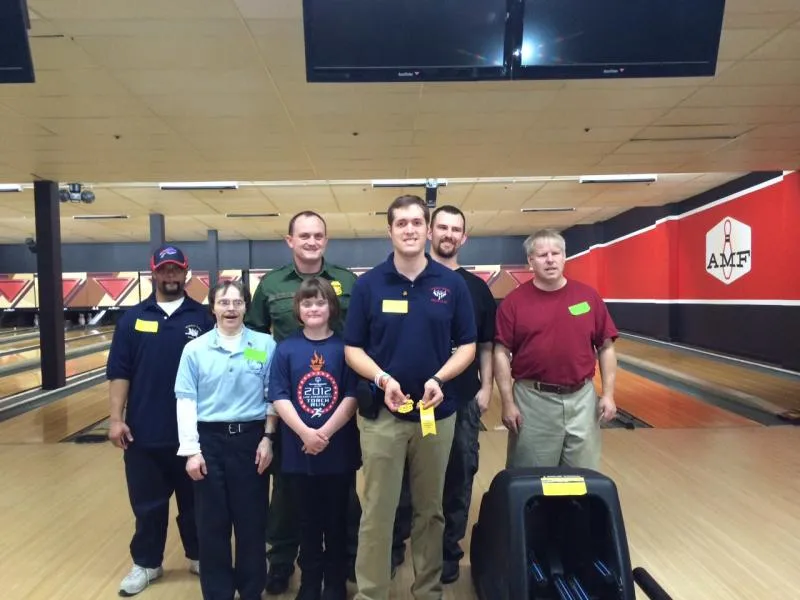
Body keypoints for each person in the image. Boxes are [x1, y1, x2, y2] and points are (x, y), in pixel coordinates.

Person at [344, 194, 477, 600]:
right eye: (400, 223)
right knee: (378, 513)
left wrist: (439, 378)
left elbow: (468, 345)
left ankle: (429, 591)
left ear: (427, 228)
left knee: (430, 512)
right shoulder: (368, 285)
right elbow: (352, 348)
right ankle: (371, 593)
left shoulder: (452, 284)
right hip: (382, 417)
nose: (409, 229)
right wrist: (384, 380)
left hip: (435, 414)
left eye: (417, 222)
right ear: (389, 230)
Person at [245, 210, 361, 594]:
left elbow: (361, 339)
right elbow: (256, 340)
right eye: (304, 235)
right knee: (288, 494)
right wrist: (267, 407)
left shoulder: (346, 281)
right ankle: (282, 563)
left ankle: (343, 565)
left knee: (342, 498)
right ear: (289, 240)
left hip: (339, 413)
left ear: (326, 240)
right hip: (291, 411)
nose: (311, 241)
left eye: (318, 235)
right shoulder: (271, 284)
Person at [106, 244, 215, 597]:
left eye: (176, 269)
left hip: (194, 435)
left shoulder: (203, 317)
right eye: (164, 269)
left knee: (196, 504)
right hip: (143, 432)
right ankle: (147, 563)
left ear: (186, 272)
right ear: (153, 272)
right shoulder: (132, 319)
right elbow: (119, 371)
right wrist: (114, 419)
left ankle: (199, 556)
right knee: (147, 505)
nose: (170, 275)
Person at [174, 279, 278, 600]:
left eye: (237, 302)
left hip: (251, 441)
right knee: (212, 526)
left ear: (246, 306)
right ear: (213, 308)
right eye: (224, 302)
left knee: (251, 524)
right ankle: (217, 593)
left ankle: (250, 592)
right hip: (209, 443)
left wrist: (268, 439)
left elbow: (272, 397)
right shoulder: (195, 349)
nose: (231, 308)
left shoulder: (264, 344)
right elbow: (185, 400)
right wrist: (191, 450)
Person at [493, 228, 618, 471]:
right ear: (530, 261)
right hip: (533, 400)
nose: (550, 259)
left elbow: (606, 347)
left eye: (555, 253)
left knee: (582, 474)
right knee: (530, 474)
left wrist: (609, 394)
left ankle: (573, 511)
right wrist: (507, 403)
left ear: (564, 257)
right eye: (542, 255)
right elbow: (500, 352)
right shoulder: (514, 303)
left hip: (582, 399)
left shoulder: (588, 297)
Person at [268, 278, 361, 600]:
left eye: (320, 302)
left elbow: (351, 395)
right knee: (306, 522)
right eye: (307, 303)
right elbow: (279, 396)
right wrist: (306, 433)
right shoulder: (286, 349)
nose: (314, 308)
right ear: (298, 309)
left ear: (331, 307)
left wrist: (325, 433)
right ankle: (310, 582)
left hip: (338, 450)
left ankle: (334, 582)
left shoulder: (345, 348)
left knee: (336, 521)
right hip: (298, 450)